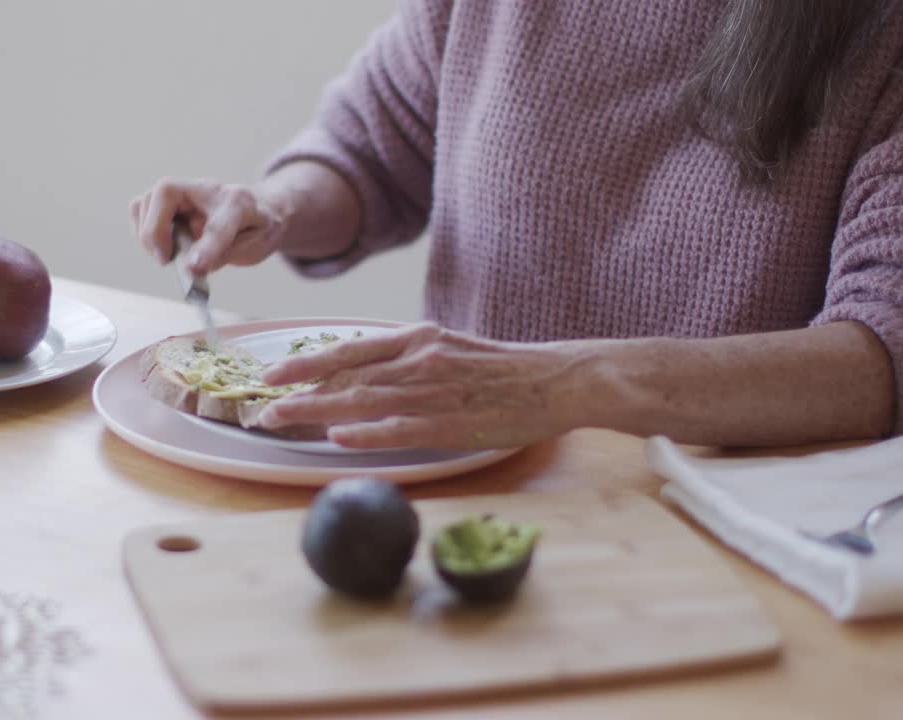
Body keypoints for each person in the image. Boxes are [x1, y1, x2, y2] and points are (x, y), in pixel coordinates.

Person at [129, 0, 903, 450]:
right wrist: (274, 209)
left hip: (731, 539)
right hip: (466, 483)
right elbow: (368, 147)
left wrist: (563, 387)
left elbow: (882, 351)